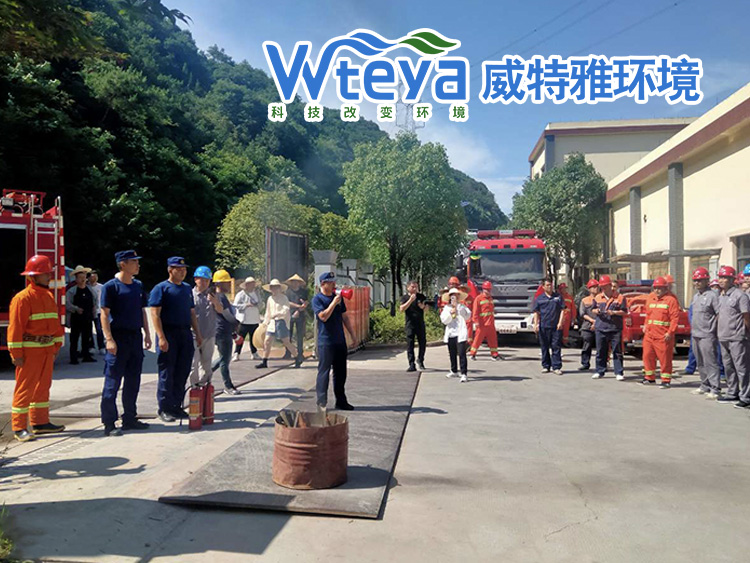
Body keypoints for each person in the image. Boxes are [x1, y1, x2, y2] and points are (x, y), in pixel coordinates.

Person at [8, 255, 66, 442]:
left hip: (47, 350)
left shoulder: (48, 296)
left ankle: (40, 423)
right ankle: (19, 427)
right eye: (45, 273)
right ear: (33, 276)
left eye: (48, 273)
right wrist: (16, 354)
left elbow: (55, 323)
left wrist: (56, 345)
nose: (49, 276)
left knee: (43, 387)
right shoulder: (22, 298)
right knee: (25, 388)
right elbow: (15, 328)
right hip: (30, 351)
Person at [99, 250, 152, 436]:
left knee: (133, 380)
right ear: (123, 264)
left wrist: (147, 334)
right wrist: (109, 339)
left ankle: (129, 418)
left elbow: (142, 311)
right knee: (112, 381)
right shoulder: (111, 287)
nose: (138, 265)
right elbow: (104, 314)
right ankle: (109, 423)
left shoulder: (138, 286)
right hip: (118, 337)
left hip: (135, 337)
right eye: (134, 262)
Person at [149, 257, 203, 423]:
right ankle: (164, 408)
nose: (182, 272)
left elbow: (192, 313)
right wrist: (161, 337)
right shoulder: (161, 288)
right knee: (167, 372)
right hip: (168, 333)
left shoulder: (186, 289)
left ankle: (176, 406)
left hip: (184, 333)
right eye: (178, 269)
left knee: (182, 371)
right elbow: (155, 314)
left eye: (184, 269)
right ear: (170, 270)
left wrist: (198, 333)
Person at [313, 271, 355, 410]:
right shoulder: (318, 299)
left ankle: (341, 401)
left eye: (334, 282)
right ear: (323, 284)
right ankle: (321, 402)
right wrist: (333, 303)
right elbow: (323, 317)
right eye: (331, 282)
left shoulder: (338, 298)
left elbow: (345, 317)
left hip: (339, 340)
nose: (334, 285)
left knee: (341, 372)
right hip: (326, 341)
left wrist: (352, 335)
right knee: (324, 372)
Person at [716, 266, 750, 408]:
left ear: (732, 280)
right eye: (720, 277)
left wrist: (746, 332)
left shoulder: (740, 296)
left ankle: (746, 396)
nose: (721, 280)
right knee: (728, 367)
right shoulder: (721, 296)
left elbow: (746, 316)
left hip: (737, 337)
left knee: (742, 368)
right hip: (723, 336)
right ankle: (732, 392)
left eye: (725, 278)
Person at [688, 267, 721, 399]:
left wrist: (714, 329)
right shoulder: (696, 296)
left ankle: (715, 388)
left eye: (699, 280)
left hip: (707, 334)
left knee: (710, 362)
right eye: (695, 280)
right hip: (696, 333)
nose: (697, 283)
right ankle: (704, 384)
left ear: (707, 281)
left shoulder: (713, 296)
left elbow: (719, 314)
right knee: (700, 361)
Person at [641, 276, 680, 388]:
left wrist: (670, 332)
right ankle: (649, 378)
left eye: (659, 288)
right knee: (647, 356)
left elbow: (675, 318)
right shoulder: (651, 298)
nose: (657, 290)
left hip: (663, 336)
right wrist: (645, 325)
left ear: (665, 288)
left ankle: (666, 380)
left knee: (665, 359)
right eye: (655, 288)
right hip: (650, 334)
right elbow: (648, 315)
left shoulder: (671, 300)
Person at [256, 279, 302, 369]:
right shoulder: (270, 299)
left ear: (279, 288)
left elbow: (286, 309)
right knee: (267, 341)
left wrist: (277, 314)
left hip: (281, 322)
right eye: (272, 287)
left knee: (286, 341)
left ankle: (297, 358)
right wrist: (265, 322)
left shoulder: (284, 298)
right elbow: (268, 312)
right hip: (272, 322)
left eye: (276, 287)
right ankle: (264, 361)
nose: (274, 289)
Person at [592, 275, 628, 380]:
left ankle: (619, 372)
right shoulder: (598, 297)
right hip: (601, 327)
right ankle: (600, 371)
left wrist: (614, 312)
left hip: (615, 328)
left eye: (605, 286)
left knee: (617, 351)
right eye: (601, 286)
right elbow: (593, 309)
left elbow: (624, 312)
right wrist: (596, 311)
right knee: (600, 351)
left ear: (610, 285)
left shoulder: (620, 297)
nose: (603, 288)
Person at [210, 269, 239, 394]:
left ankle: (205, 372)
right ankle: (228, 386)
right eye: (226, 282)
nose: (228, 284)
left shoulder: (217, 296)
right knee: (225, 360)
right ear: (219, 284)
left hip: (220, 330)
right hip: (222, 331)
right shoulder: (220, 297)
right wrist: (236, 323)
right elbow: (226, 314)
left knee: (224, 358)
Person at [533, 278, 565, 375]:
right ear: (543, 287)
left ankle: (556, 367)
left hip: (556, 327)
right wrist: (536, 324)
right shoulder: (539, 299)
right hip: (544, 326)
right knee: (544, 347)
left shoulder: (558, 297)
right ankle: (546, 366)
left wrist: (560, 322)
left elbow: (563, 310)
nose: (549, 287)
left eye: (550, 285)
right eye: (547, 285)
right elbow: (536, 312)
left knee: (556, 346)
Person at [66, 264, 96, 365]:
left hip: (87, 318)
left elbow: (95, 301)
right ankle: (73, 358)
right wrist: (75, 309)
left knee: (86, 337)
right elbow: (67, 303)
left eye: (84, 277)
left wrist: (94, 311)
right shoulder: (72, 291)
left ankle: (86, 355)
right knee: (74, 338)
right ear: (76, 279)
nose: (83, 279)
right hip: (76, 318)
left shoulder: (90, 290)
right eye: (80, 277)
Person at [441, 287, 471, 382]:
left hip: (460, 332)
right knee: (452, 353)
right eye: (452, 296)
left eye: (456, 295)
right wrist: (451, 313)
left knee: (461, 353)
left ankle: (464, 373)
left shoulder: (462, 307)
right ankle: (454, 370)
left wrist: (459, 310)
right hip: (451, 333)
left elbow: (468, 316)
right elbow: (444, 320)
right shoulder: (446, 308)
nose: (454, 297)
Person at [399, 280, 427, 372]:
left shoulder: (421, 296)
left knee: (422, 343)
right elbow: (401, 309)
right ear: (408, 288)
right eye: (412, 287)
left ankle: (420, 360)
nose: (415, 289)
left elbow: (426, 309)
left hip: (420, 323)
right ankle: (411, 364)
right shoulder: (405, 297)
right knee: (410, 344)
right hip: (410, 324)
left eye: (416, 287)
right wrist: (410, 300)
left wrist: (423, 306)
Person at [469, 280, 500, 361]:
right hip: (482, 324)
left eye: (489, 289)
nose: (488, 291)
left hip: (490, 324)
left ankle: (494, 354)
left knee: (493, 339)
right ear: (483, 289)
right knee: (478, 339)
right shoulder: (478, 299)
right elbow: (475, 311)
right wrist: (476, 322)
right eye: (487, 289)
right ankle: (472, 354)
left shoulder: (490, 299)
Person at [233, 277, 261, 361]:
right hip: (244, 321)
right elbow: (235, 305)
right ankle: (237, 353)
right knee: (240, 338)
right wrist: (246, 305)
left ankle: (254, 353)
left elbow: (261, 304)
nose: (252, 285)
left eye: (253, 284)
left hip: (254, 319)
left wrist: (258, 305)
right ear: (246, 285)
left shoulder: (257, 293)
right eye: (250, 284)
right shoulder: (241, 294)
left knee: (254, 338)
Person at [286, 274, 309, 362]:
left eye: (296, 282)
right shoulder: (288, 292)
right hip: (289, 314)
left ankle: (300, 353)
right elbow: (287, 302)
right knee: (288, 334)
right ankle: (288, 352)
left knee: (300, 335)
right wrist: (298, 306)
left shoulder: (303, 292)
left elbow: (306, 302)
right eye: (293, 282)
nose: (295, 283)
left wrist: (301, 308)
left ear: (299, 283)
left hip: (300, 315)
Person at [578, 279, 599, 371]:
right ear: (589, 289)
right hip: (587, 326)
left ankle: (601, 365)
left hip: (600, 326)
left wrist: (597, 322)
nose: (596, 289)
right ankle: (585, 363)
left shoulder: (601, 299)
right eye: (593, 287)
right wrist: (592, 321)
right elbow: (582, 314)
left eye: (597, 287)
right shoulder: (585, 300)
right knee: (587, 345)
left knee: (601, 347)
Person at [88, 270, 106, 356]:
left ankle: (101, 347)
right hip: (89, 311)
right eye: (92, 277)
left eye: (95, 276)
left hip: (99, 311)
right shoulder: (87, 287)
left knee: (99, 329)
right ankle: (91, 346)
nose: (94, 278)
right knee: (89, 330)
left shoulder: (101, 287)